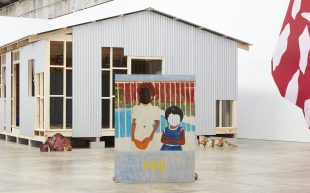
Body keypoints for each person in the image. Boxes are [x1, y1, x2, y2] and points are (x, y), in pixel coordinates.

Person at [131, 82, 160, 150]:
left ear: (139, 97)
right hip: (148, 131)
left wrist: (132, 136)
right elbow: (157, 124)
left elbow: (134, 124)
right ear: (151, 97)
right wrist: (152, 134)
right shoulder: (155, 109)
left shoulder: (136, 108)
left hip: (139, 131)